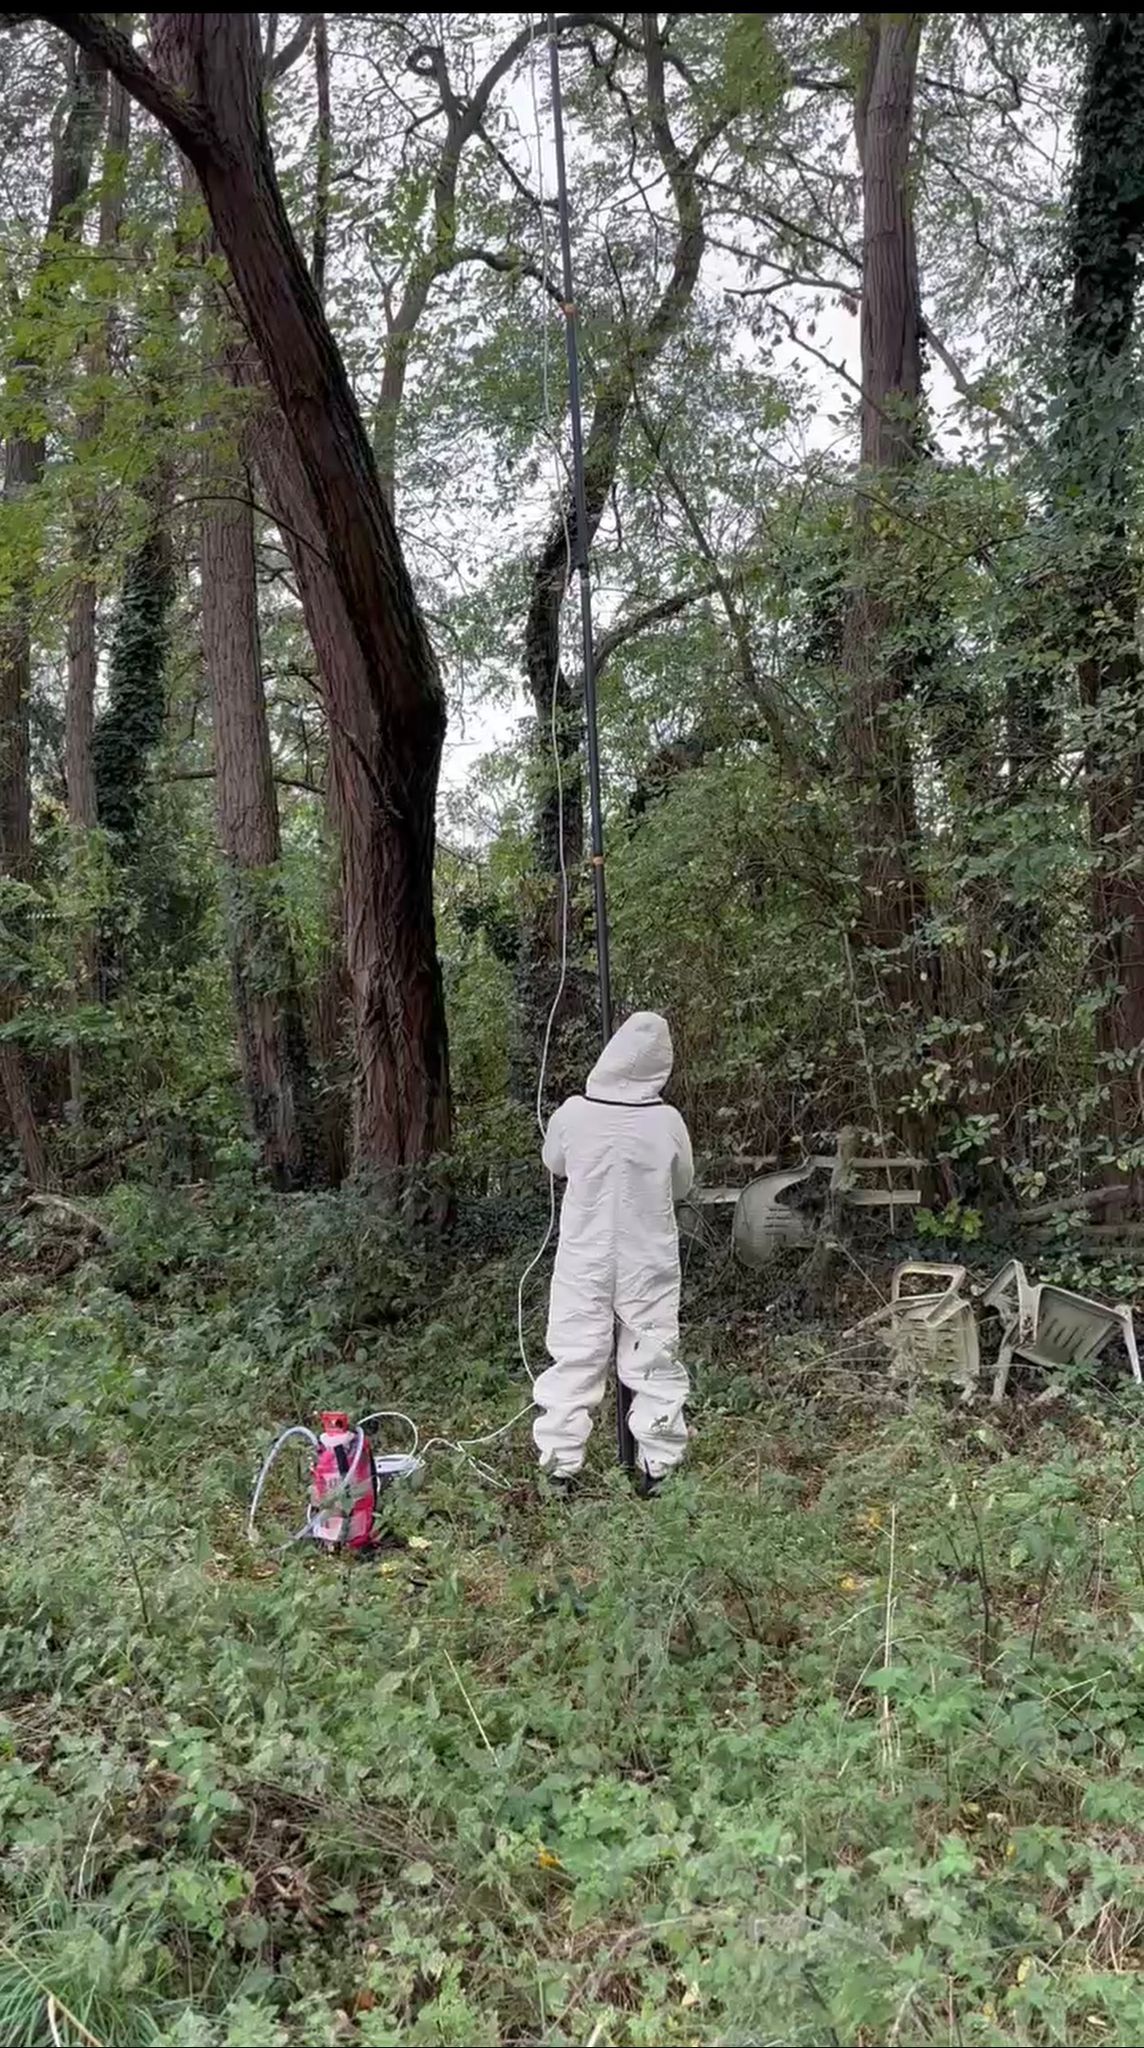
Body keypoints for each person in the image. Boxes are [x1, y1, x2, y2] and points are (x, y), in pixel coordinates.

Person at [533, 1010, 694, 1494]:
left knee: (575, 1354)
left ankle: (559, 1471)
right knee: (654, 1356)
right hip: (648, 1255)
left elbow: (553, 1162)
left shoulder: (574, 1114)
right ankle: (659, 1469)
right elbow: (681, 1184)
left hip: (585, 1255)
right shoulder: (666, 1121)